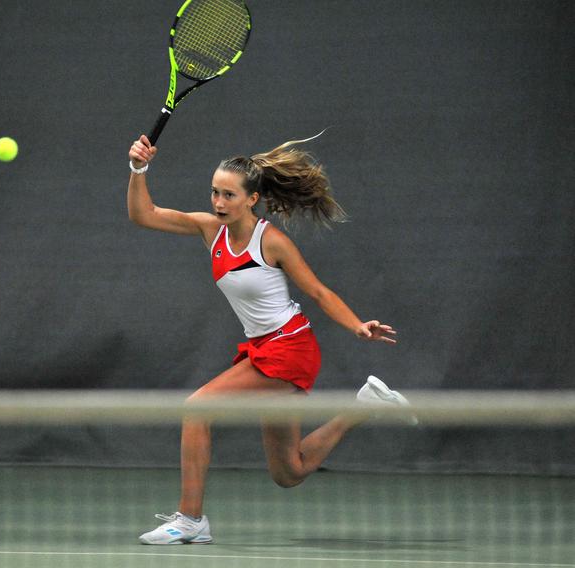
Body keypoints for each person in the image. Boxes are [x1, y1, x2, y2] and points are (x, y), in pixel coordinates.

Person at [127, 133, 413, 545]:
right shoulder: (211, 231)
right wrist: (139, 168)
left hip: (289, 348)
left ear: (252, 199)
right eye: (214, 193)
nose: (218, 202)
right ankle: (364, 406)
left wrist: (357, 326)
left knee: (196, 410)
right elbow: (145, 214)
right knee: (289, 472)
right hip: (264, 348)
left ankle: (190, 521)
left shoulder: (271, 241)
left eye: (228, 195)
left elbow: (317, 292)